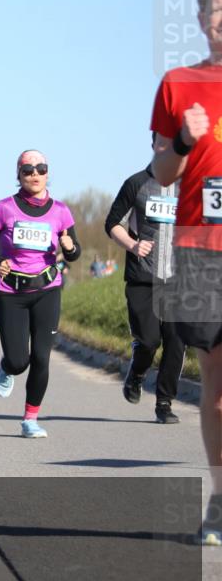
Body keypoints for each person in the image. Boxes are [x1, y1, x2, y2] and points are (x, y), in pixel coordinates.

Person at [148, 0, 222, 546]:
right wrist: (183, 143)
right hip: (202, 253)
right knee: (217, 390)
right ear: (201, 19)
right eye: (217, 10)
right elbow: (161, 176)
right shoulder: (178, 84)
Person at [0, 150, 82, 438]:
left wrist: (69, 247)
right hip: (12, 292)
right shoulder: (4, 208)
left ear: (48, 173)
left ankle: (30, 419)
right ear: (18, 175)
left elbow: (74, 253)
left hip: (47, 289)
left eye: (41, 168)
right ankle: (7, 367)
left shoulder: (61, 211)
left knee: (42, 358)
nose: (34, 174)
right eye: (27, 169)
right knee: (19, 360)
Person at [104, 157, 186, 424]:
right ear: (155, 145)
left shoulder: (191, 185)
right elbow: (113, 223)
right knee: (150, 341)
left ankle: (164, 403)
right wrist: (132, 244)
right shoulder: (136, 183)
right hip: (143, 277)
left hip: (179, 278)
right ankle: (137, 374)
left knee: (176, 340)